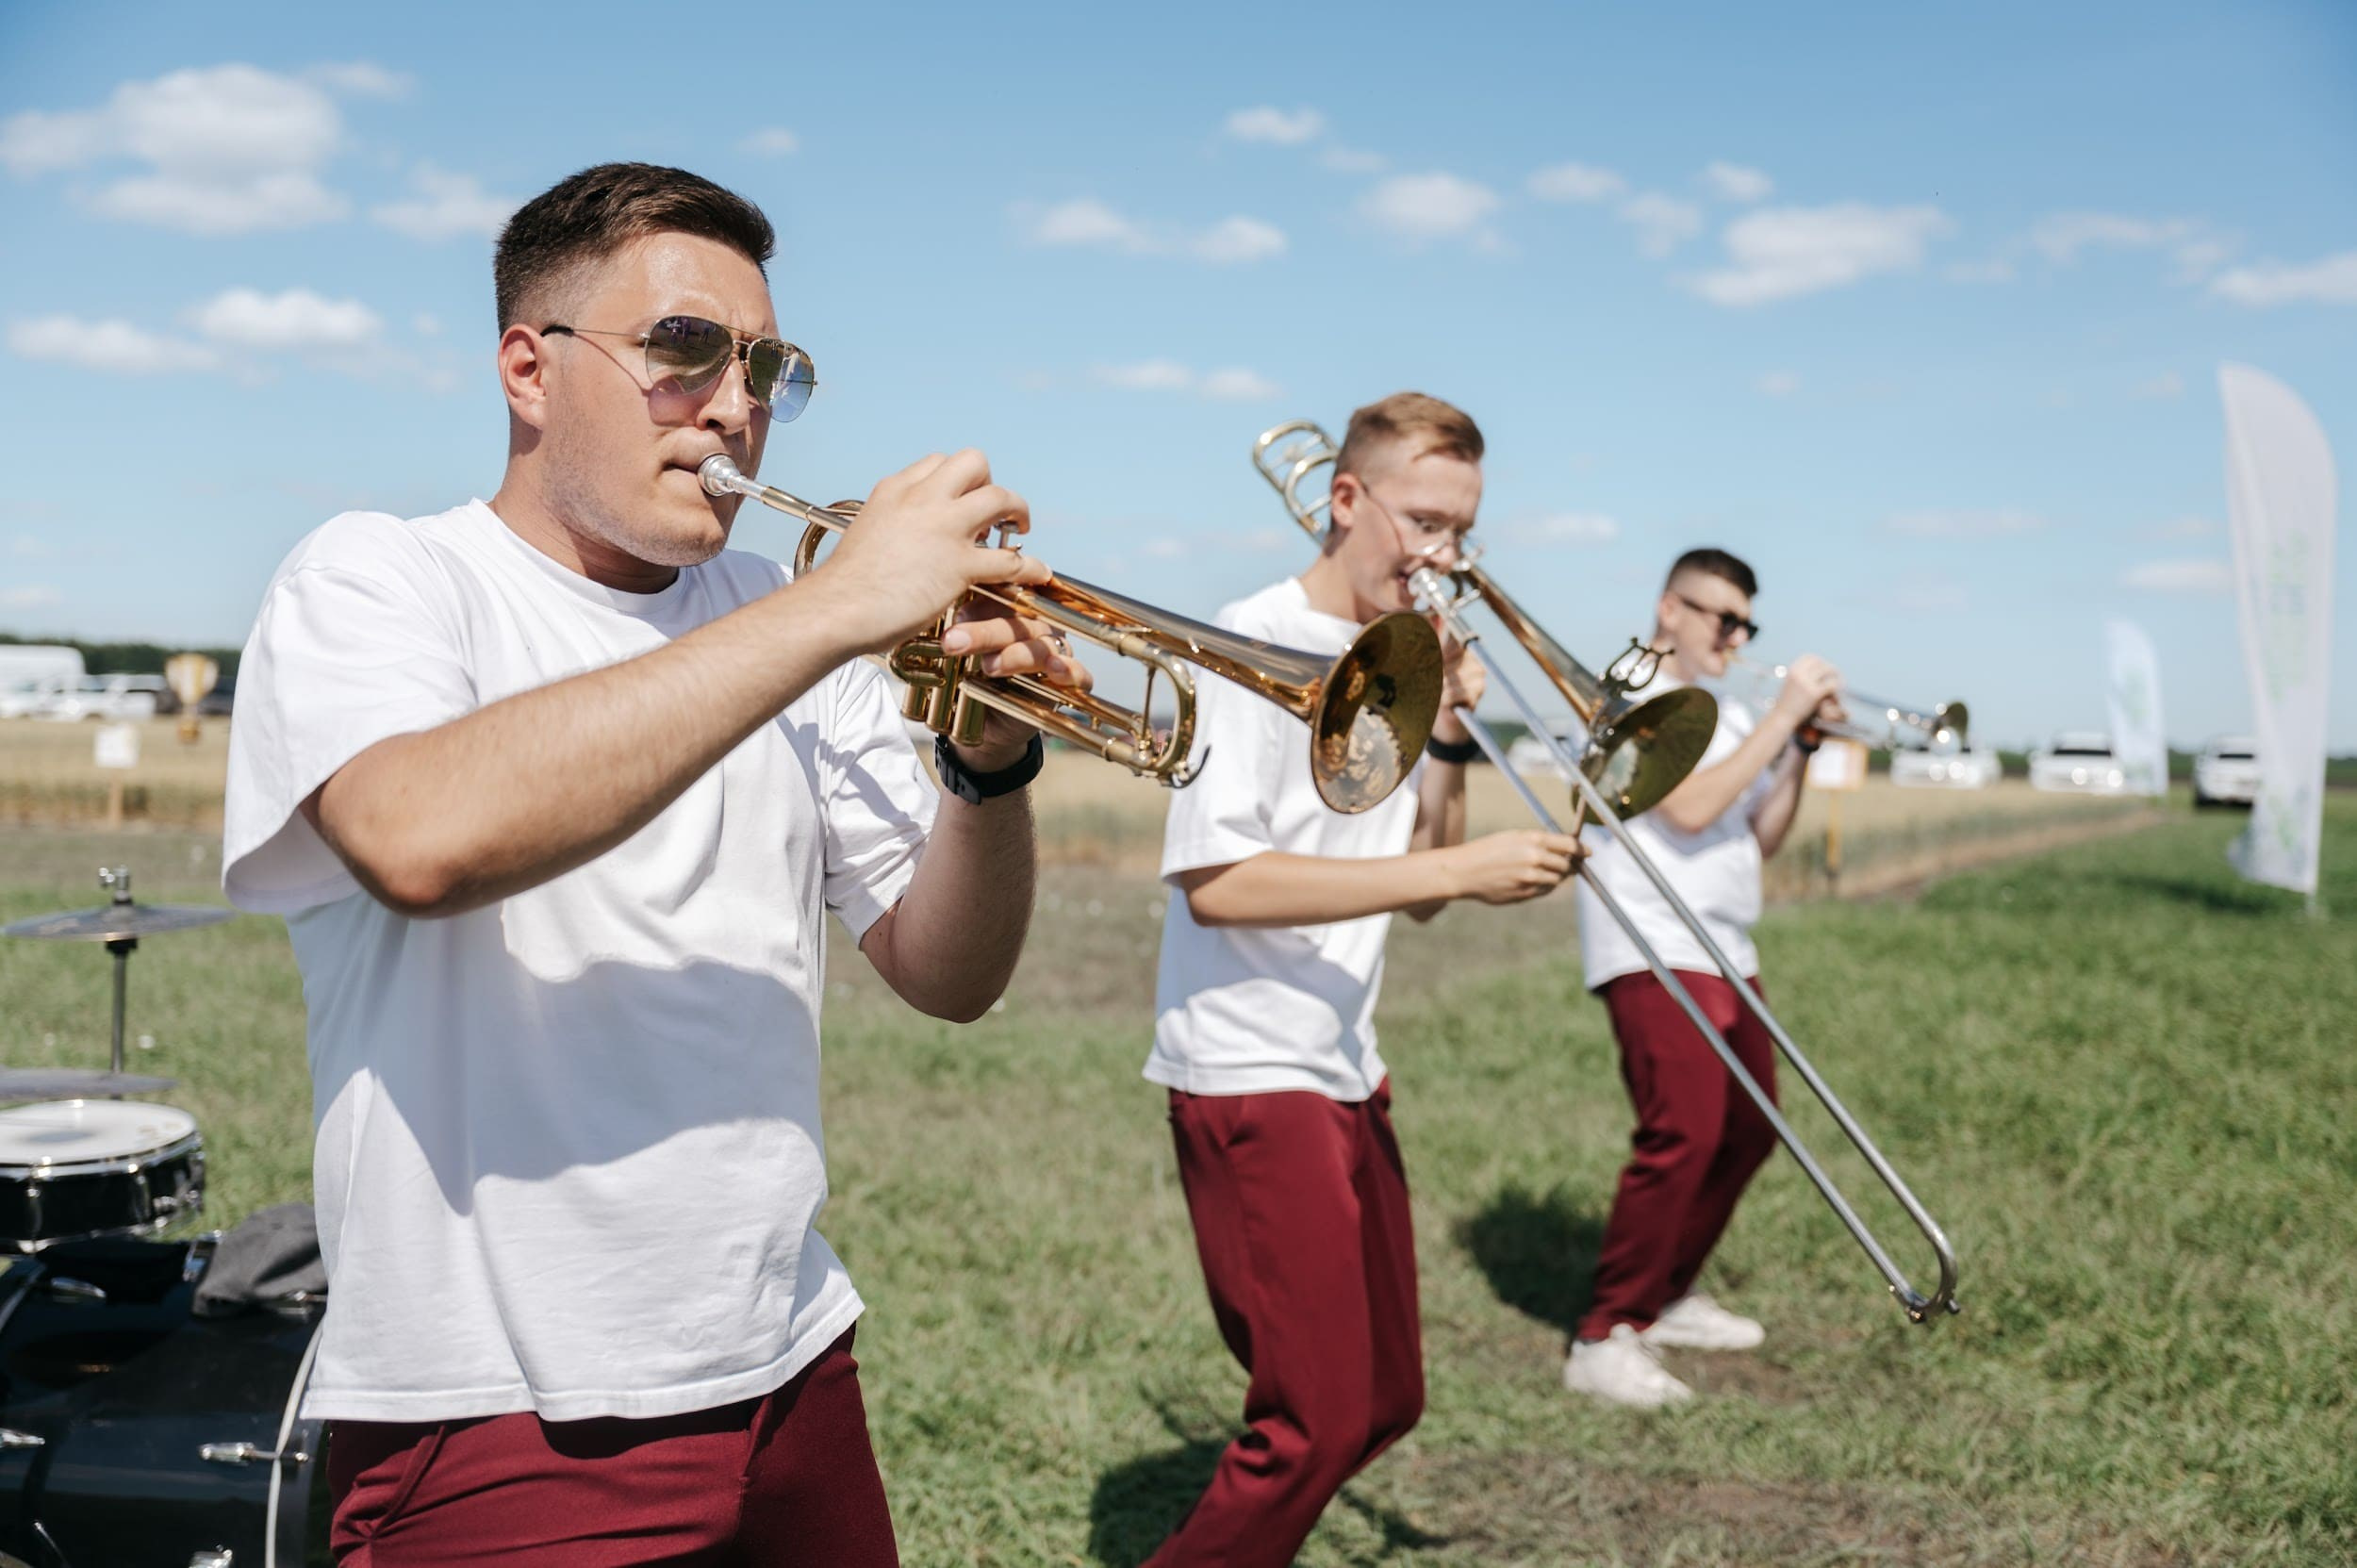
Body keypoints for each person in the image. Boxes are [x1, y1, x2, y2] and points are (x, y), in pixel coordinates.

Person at [222, 162, 1089, 1564]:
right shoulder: (381, 576)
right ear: (529, 368)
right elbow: (418, 837)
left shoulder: (779, 613)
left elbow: (948, 974)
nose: (738, 404)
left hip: (791, 1357)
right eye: (685, 350)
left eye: (768, 366)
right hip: (497, 1411)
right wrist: (842, 605)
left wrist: (988, 764)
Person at [1144, 392, 1585, 1566]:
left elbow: (1425, 885)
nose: (1446, 558)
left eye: (1462, 532)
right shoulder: (1255, 633)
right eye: (1426, 522)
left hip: (1344, 1062)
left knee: (1386, 1398)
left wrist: (1445, 736)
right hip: (1248, 1062)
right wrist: (1458, 862)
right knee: (1317, 1419)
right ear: (1345, 500)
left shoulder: (1396, 661)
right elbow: (1217, 880)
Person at [1562, 547, 1843, 1408]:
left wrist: (1796, 746)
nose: (1737, 635)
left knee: (1751, 1131)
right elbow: (1686, 806)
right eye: (1722, 617)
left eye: (1746, 623)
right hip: (1650, 938)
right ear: (1669, 609)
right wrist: (1783, 708)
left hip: (1726, 942)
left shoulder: (1723, 715)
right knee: (1680, 1131)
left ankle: (1667, 1293)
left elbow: (1758, 834)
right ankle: (1605, 1332)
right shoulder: (1631, 694)